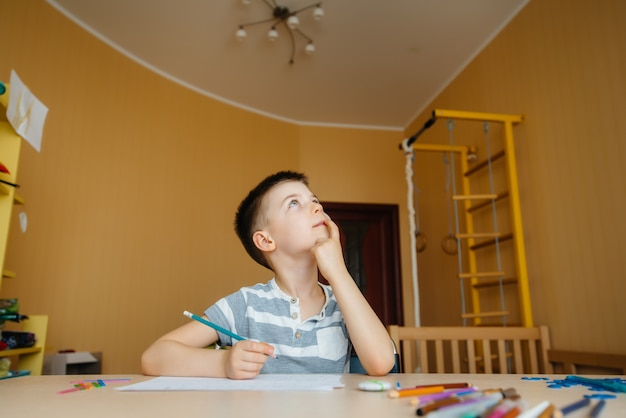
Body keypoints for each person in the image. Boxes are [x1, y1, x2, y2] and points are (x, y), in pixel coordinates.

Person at [141, 171, 396, 379]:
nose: (317, 207)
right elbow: (153, 358)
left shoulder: (343, 300)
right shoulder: (246, 304)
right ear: (266, 240)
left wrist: (338, 273)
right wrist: (224, 363)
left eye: (315, 200)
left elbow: (381, 363)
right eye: (294, 203)